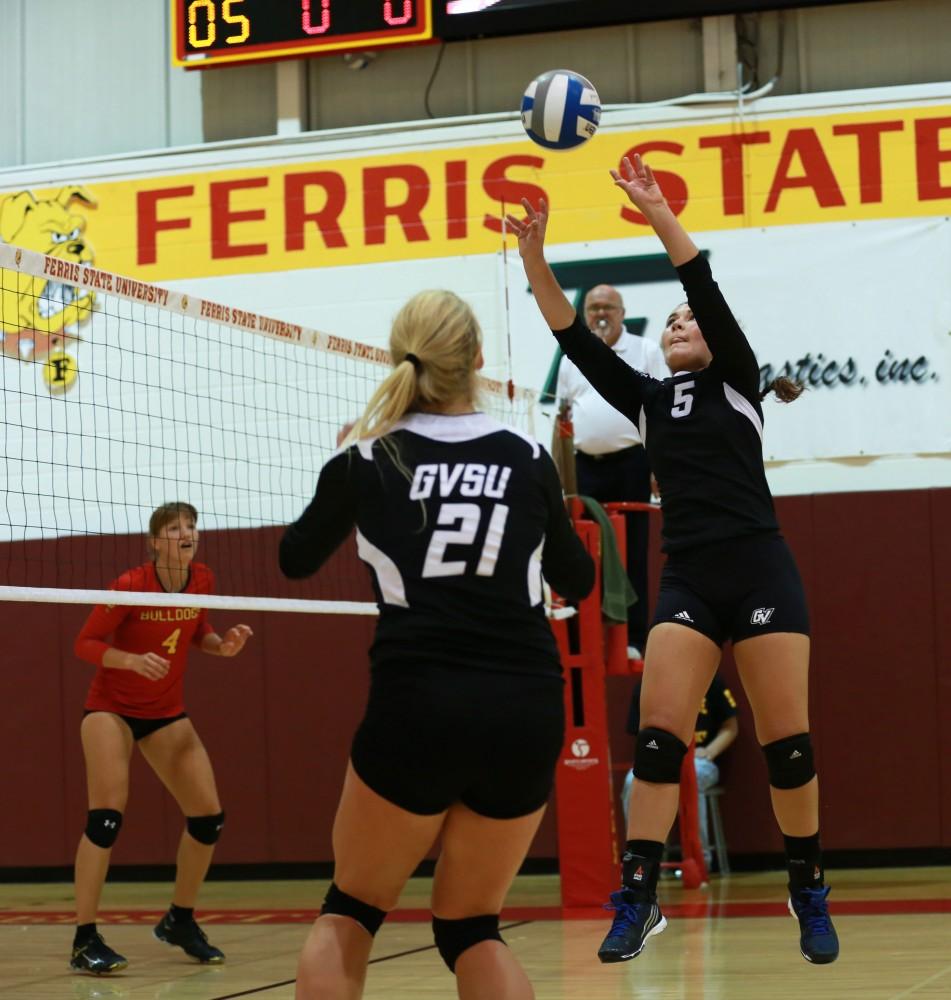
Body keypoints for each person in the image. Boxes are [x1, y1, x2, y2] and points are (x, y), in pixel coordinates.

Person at [505, 154, 839, 966]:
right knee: (658, 741)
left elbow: (703, 277)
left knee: (786, 744)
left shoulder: (737, 380)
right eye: (676, 322)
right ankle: (640, 898)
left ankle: (806, 888)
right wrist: (533, 257)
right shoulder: (648, 401)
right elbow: (568, 336)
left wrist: (654, 207)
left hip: (759, 568)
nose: (685, 321)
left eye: (692, 319)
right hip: (687, 574)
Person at [279, 289, 594, 1000]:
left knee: (352, 910)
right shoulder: (526, 455)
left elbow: (294, 558)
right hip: (525, 706)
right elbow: (577, 581)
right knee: (472, 925)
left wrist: (343, 480)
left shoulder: (366, 458)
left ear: (399, 362)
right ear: (477, 361)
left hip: (419, 703)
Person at [70, 502, 253, 974]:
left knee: (208, 819)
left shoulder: (204, 579)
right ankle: (84, 937)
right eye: (175, 528)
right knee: (106, 818)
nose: (187, 533)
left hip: (165, 712)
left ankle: (180, 919)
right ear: (154, 542)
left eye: (191, 525)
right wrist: (129, 661)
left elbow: (198, 632)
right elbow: (84, 644)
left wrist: (222, 647)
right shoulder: (131, 586)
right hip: (111, 710)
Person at [556, 284, 667, 659]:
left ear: (622, 313)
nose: (600, 314)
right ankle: (582, 638)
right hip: (585, 467)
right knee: (582, 551)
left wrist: (659, 465)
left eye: (608, 307)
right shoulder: (572, 358)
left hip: (632, 462)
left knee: (633, 550)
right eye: (593, 308)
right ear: (584, 314)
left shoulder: (646, 351)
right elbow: (564, 418)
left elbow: (661, 411)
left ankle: (635, 638)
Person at [622, 674, 739, 871]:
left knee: (692, 778)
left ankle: (701, 861)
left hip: (701, 760)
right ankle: (642, 861)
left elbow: (730, 728)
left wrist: (710, 751)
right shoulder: (645, 685)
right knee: (631, 781)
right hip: (662, 757)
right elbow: (642, 736)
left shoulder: (712, 681)